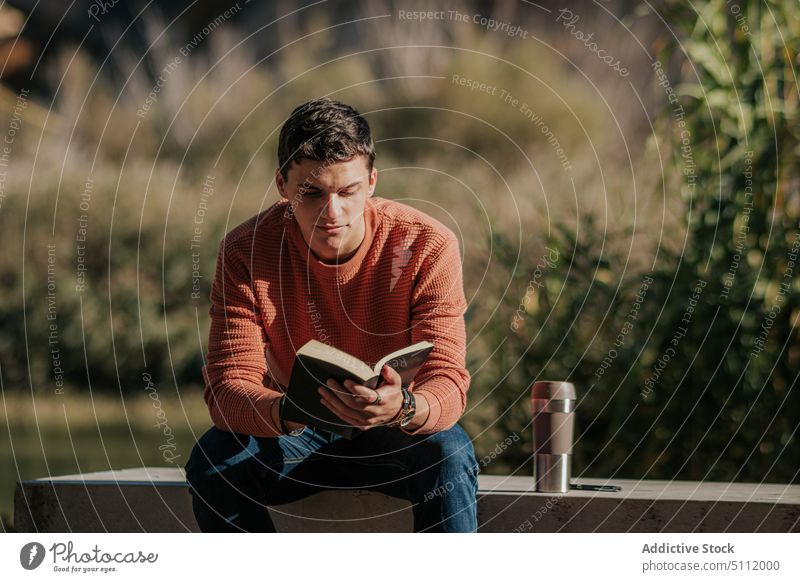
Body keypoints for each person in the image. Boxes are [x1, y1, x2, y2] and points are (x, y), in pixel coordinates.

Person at [185, 98, 479, 532]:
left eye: (348, 191)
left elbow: (449, 381)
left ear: (372, 181)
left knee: (450, 454)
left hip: (394, 428)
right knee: (213, 463)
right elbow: (228, 389)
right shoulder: (246, 250)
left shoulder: (428, 245)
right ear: (283, 185)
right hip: (293, 430)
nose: (333, 212)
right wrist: (288, 412)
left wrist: (404, 407)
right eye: (313, 192)